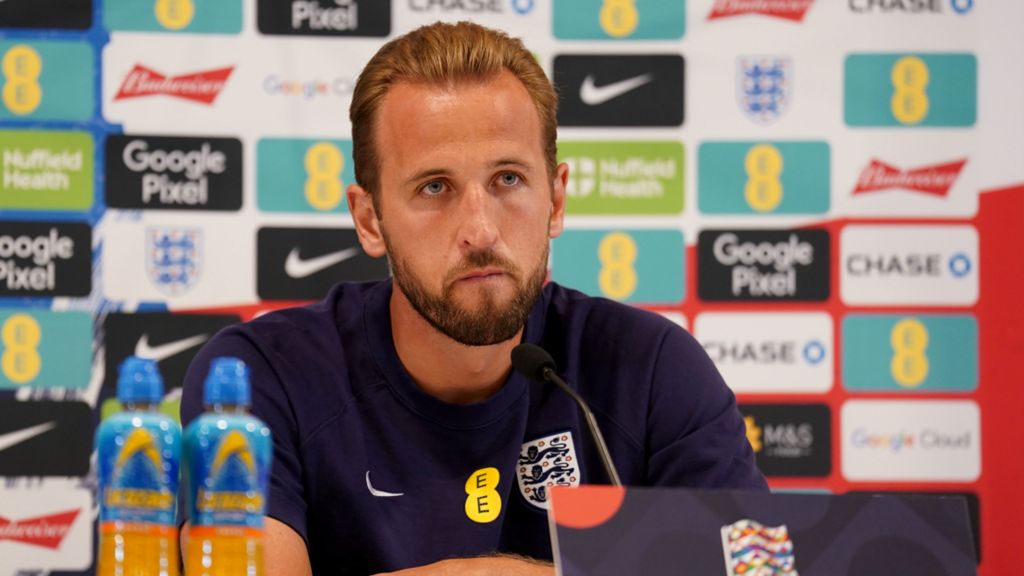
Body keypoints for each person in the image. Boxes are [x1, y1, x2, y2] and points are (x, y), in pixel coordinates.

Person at [180, 20, 767, 576]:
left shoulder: (652, 369)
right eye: (435, 188)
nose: (480, 230)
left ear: (556, 201)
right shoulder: (262, 377)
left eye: (508, 179)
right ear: (369, 220)